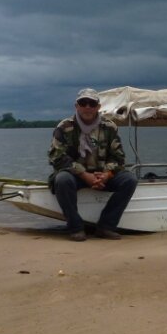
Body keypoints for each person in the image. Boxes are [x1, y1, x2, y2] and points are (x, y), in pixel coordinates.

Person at [47, 88, 137, 241]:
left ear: (98, 107)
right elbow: (56, 157)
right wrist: (84, 174)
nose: (87, 107)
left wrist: (107, 174)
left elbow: (118, 158)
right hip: (76, 175)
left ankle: (106, 227)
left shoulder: (109, 127)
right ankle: (76, 228)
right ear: (77, 106)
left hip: (102, 174)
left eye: (92, 103)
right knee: (62, 180)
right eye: (83, 103)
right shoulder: (64, 127)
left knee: (129, 180)